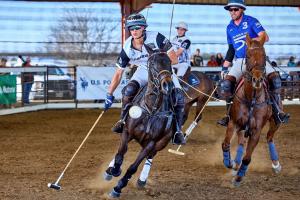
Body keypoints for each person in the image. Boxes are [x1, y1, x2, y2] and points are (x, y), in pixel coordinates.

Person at [104, 13, 186, 145]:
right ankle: (123, 121)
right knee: (128, 90)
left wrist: (159, 58)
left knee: (179, 97)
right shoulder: (127, 47)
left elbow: (174, 59)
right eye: (131, 29)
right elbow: (119, 73)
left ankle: (177, 130)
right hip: (144, 69)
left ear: (143, 28)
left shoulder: (157, 37)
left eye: (137, 28)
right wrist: (109, 93)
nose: (134, 31)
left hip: (162, 69)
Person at [217, 0, 289, 126]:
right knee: (226, 84)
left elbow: (265, 37)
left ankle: (278, 111)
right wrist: (224, 68)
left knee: (275, 80)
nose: (232, 12)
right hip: (240, 61)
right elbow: (231, 49)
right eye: (230, 10)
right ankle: (228, 114)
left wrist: (250, 40)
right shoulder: (229, 27)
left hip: (257, 59)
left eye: (235, 9)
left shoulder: (251, 21)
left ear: (242, 10)